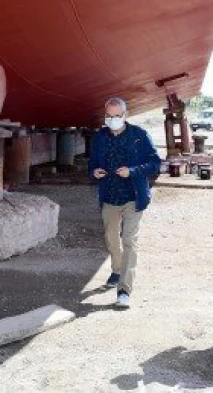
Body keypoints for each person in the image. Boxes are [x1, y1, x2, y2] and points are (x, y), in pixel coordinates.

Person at [88, 97, 161, 309]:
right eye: (108, 116)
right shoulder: (100, 138)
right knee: (111, 238)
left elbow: (155, 163)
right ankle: (117, 269)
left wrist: (133, 171)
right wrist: (95, 172)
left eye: (116, 116)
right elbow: (91, 165)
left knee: (129, 240)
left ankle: (124, 290)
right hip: (109, 196)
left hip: (133, 197)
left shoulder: (139, 135)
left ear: (125, 115)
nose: (112, 120)